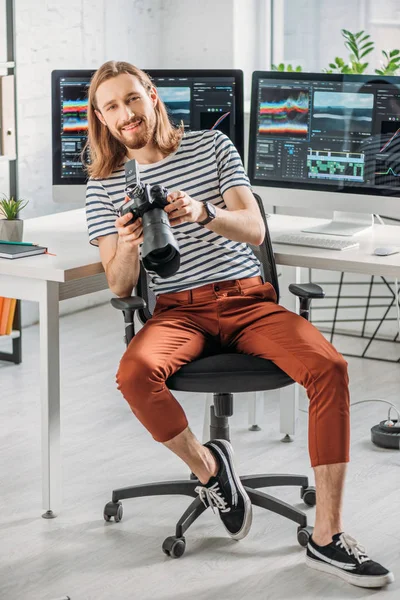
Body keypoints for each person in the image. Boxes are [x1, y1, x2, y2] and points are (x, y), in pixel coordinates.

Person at [84, 60, 394, 589]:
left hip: (246, 300)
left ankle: (328, 538)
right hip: (177, 310)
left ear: (152, 96)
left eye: (132, 98)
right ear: (101, 118)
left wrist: (202, 212)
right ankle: (210, 471)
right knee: (135, 374)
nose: (126, 113)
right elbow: (118, 284)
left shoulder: (212, 146)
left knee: (329, 367)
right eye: (111, 106)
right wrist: (132, 241)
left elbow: (253, 229)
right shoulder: (106, 185)